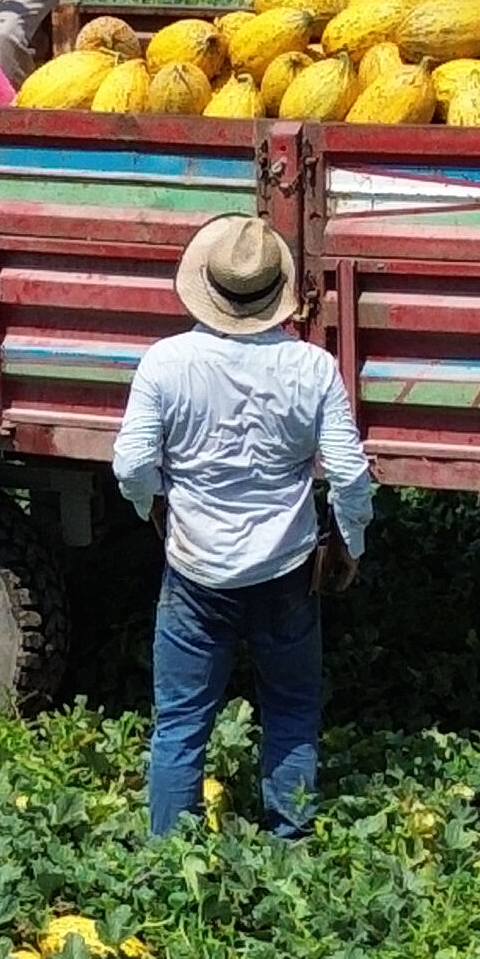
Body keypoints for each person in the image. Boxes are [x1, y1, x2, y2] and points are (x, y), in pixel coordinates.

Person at [114, 216, 375, 839]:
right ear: (276, 293)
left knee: (179, 721)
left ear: (207, 286)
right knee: (290, 710)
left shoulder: (166, 362)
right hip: (285, 570)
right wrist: (349, 542)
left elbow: (130, 464)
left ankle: (172, 861)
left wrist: (153, 503)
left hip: (195, 572)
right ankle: (291, 843)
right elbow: (350, 474)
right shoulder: (313, 368)